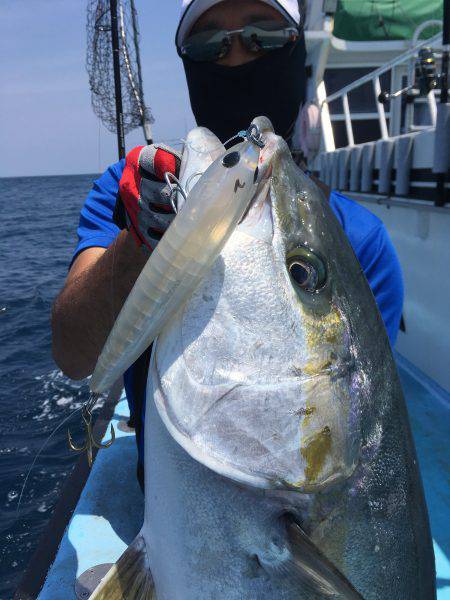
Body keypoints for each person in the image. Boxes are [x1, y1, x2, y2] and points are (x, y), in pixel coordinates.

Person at [51, 0, 403, 492]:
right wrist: (141, 241)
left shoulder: (359, 239)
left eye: (265, 38)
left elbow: (356, 444)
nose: (236, 59)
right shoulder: (129, 190)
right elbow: (73, 354)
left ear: (296, 52)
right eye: (210, 46)